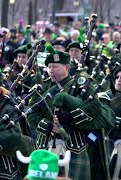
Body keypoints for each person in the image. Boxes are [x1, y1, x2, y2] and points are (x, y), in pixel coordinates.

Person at [27, 45, 116, 180]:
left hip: (75, 144)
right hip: (45, 143)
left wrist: (69, 118)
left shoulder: (81, 84)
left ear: (67, 67)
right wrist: (49, 126)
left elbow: (94, 106)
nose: (51, 70)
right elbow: (31, 114)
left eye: (55, 67)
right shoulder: (42, 86)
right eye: (49, 67)